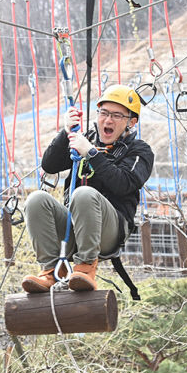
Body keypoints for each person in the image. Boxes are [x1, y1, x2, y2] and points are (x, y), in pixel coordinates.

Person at [21, 85, 154, 292]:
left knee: (83, 194)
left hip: (110, 230)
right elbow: (50, 165)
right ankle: (51, 270)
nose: (108, 120)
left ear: (131, 122)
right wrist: (66, 133)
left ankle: (85, 268)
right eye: (104, 113)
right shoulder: (85, 139)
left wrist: (92, 154)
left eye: (117, 116)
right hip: (75, 226)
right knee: (36, 200)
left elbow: (123, 183)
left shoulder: (139, 151)